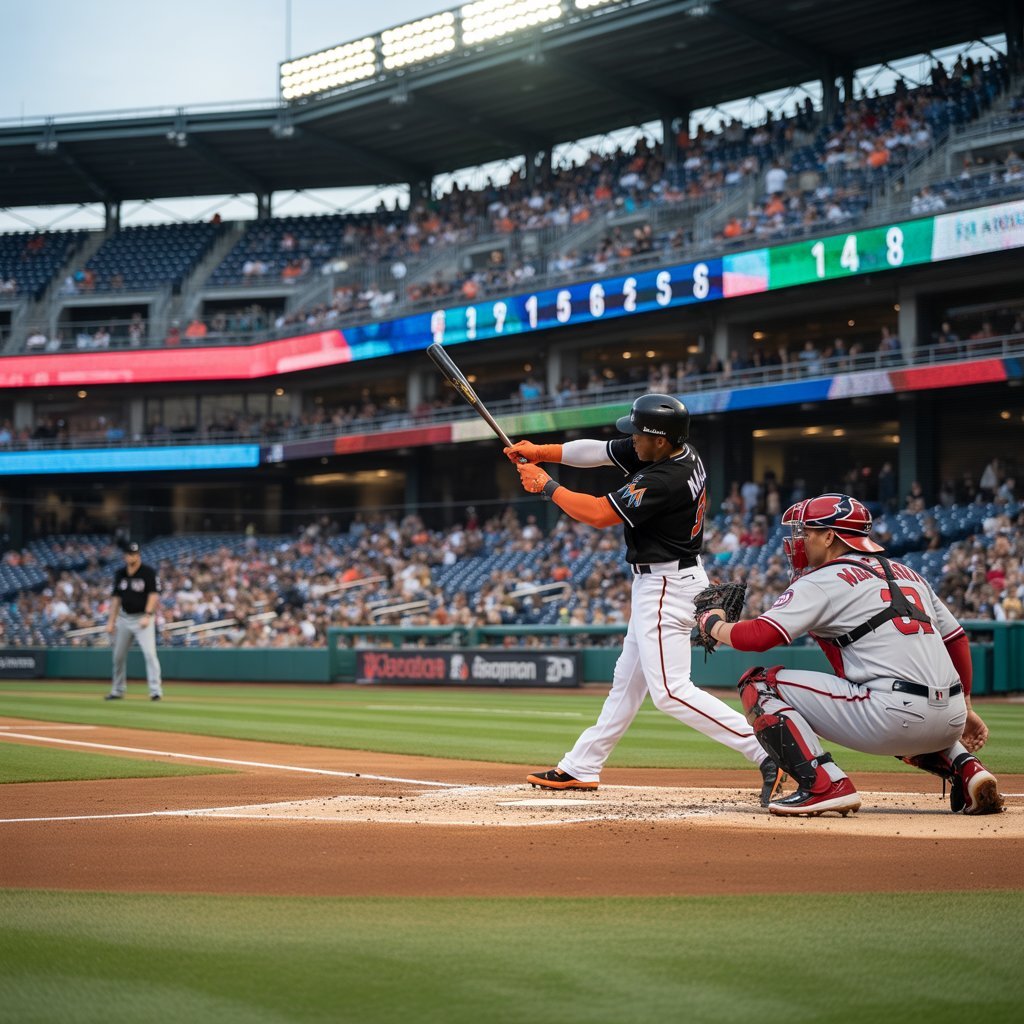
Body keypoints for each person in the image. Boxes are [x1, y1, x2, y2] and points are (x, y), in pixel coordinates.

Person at [505, 394, 780, 805]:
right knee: (626, 683)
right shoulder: (669, 449)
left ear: (662, 440)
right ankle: (582, 765)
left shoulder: (665, 477)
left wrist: (548, 486)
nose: (631, 439)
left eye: (639, 434)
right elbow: (597, 452)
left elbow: (599, 514)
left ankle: (769, 750)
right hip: (664, 578)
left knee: (670, 691)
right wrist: (541, 451)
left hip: (667, 584)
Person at [694, 493, 1003, 817]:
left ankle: (823, 785)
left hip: (892, 716)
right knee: (902, 707)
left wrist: (712, 623)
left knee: (758, 684)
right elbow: (956, 639)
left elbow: (759, 637)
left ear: (829, 536)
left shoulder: (821, 580)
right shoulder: (907, 572)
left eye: (806, 532)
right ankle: (967, 769)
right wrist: (965, 707)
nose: (798, 540)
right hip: (950, 718)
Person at [105, 542, 164, 701]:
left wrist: (148, 614)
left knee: (150, 654)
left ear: (139, 555)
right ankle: (117, 690)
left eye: (135, 553)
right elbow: (116, 599)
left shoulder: (148, 572)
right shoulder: (120, 573)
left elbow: (153, 594)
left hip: (142, 618)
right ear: (125, 555)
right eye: (129, 554)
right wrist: (111, 621)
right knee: (118, 656)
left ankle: (155, 691)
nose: (132, 556)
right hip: (124, 618)